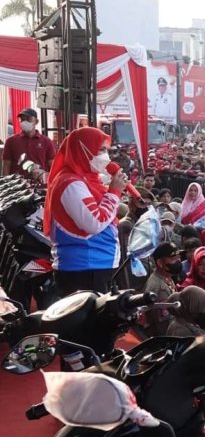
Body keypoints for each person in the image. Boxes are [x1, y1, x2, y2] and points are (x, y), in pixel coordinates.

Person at [43, 127, 128, 296]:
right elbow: (94, 222)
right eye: (101, 150)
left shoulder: (88, 180)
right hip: (84, 269)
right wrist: (114, 192)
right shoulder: (70, 184)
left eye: (107, 150)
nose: (106, 156)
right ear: (83, 149)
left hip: (96, 265)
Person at [143, 241, 181, 336]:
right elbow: (165, 326)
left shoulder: (167, 277)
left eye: (178, 258)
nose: (178, 261)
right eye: (173, 259)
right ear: (160, 263)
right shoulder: (159, 288)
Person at [3, 108, 55, 176]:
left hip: (40, 184)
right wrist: (5, 183)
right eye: (22, 119)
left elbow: (53, 166)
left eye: (28, 119)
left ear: (36, 121)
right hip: (17, 184)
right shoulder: (11, 141)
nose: (25, 122)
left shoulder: (46, 141)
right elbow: (6, 165)